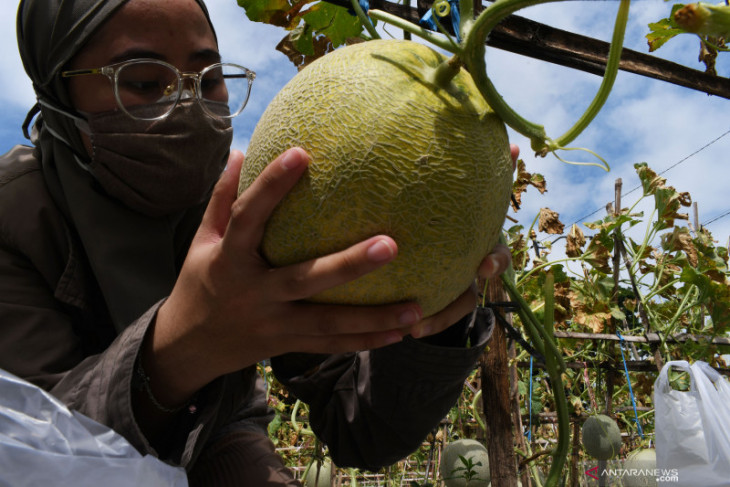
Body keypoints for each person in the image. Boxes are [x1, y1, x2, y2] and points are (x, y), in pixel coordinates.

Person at [1, 0, 517, 485]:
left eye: (208, 79)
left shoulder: (250, 219)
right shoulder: (12, 216)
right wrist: (178, 351)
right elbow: (26, 452)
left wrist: (432, 328)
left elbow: (359, 428)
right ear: (55, 93)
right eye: (140, 81)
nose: (187, 105)